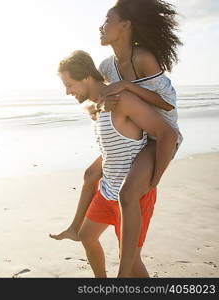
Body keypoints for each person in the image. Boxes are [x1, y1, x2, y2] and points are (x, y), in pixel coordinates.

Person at [50, 0, 182, 277]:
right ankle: (78, 232)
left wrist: (124, 88)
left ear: (125, 25)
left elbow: (166, 105)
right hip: (141, 127)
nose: (101, 26)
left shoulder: (143, 58)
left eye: (107, 20)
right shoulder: (108, 66)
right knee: (91, 176)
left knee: (129, 196)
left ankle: (122, 277)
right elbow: (102, 92)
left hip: (161, 134)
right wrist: (99, 105)